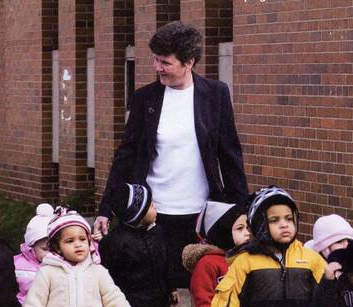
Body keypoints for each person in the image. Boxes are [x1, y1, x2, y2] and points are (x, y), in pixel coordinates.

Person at [94, 21, 248, 288]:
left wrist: (242, 210)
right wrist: (106, 208)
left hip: (200, 214)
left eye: (165, 62)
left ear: (189, 62)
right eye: (155, 60)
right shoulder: (145, 99)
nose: (157, 67)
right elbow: (126, 156)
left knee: (203, 289)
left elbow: (230, 155)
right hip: (154, 214)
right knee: (154, 289)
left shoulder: (216, 95)